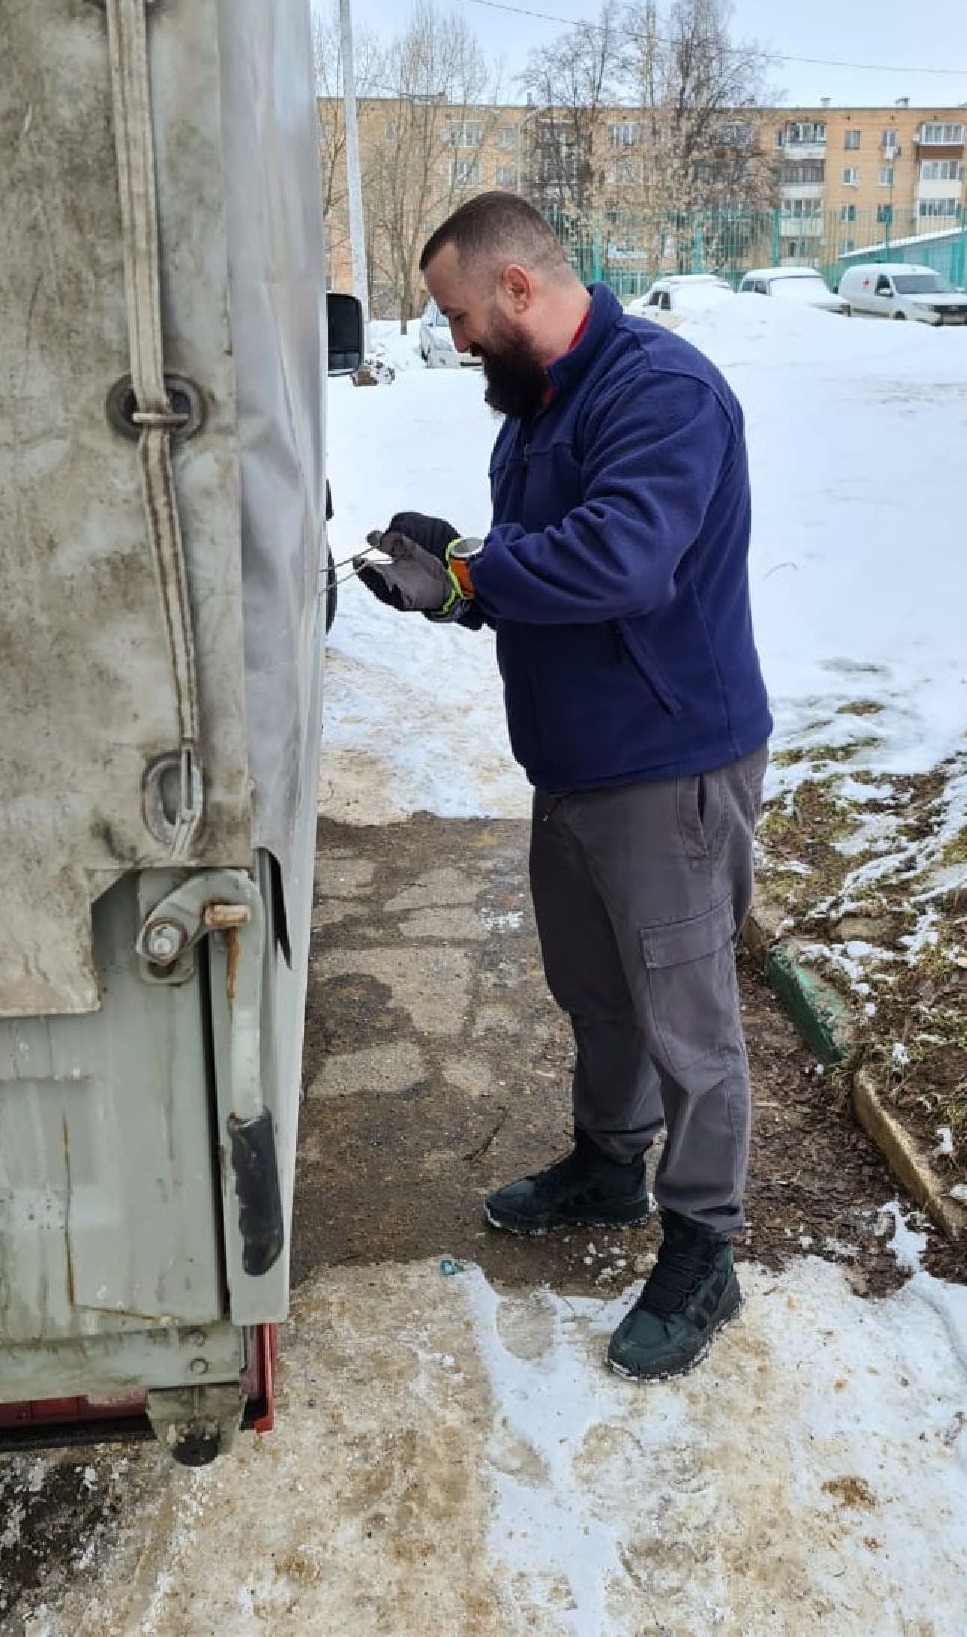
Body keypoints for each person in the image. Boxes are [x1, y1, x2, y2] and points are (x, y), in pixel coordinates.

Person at [357, 193, 771, 1381]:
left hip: (670, 762)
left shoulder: (659, 392)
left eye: (462, 316)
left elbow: (623, 558)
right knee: (596, 990)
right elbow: (541, 558)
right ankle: (608, 1164)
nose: (457, 339)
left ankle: (705, 1249)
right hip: (580, 762)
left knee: (688, 1025)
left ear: (520, 289)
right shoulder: (539, 400)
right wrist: (463, 573)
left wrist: (470, 571)